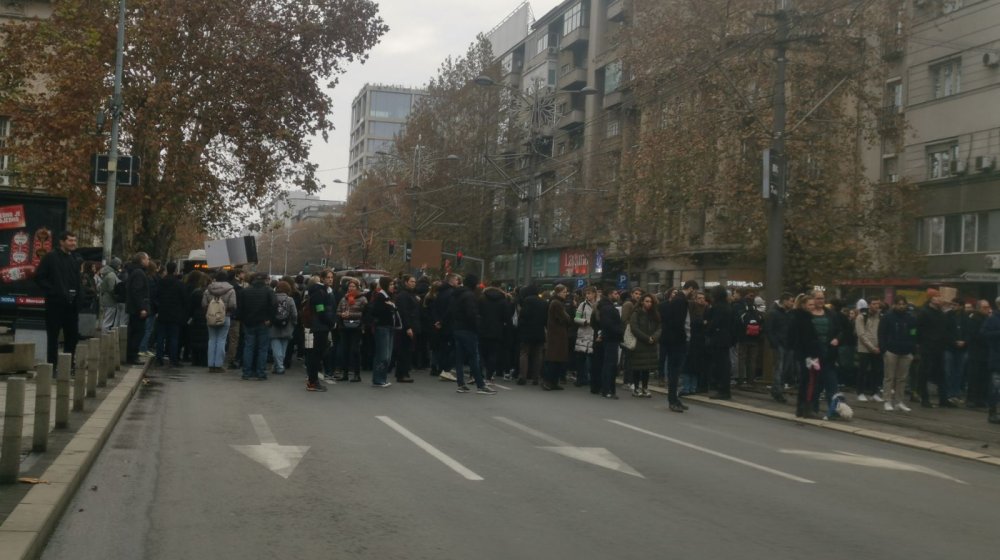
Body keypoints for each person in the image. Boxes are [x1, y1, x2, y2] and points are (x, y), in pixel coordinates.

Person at [34, 231, 82, 368]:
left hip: (72, 305)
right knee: (53, 337)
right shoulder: (51, 257)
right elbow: (39, 277)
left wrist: (79, 297)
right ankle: (52, 366)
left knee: (72, 337)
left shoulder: (74, 258)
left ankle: (68, 366)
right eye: (70, 240)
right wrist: (53, 291)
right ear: (62, 242)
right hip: (55, 304)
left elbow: (76, 281)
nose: (73, 243)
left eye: (74, 240)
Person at [449, 273, 496, 395]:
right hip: (468, 330)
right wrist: (478, 326)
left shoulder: (457, 294)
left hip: (457, 328)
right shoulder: (470, 296)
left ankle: (461, 384)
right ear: (474, 284)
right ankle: (480, 385)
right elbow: (471, 314)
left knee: (459, 358)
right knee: (474, 357)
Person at [660, 280, 698, 407]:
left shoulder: (677, 300)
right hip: (677, 342)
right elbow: (679, 323)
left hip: (673, 340)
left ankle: (674, 399)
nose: (695, 294)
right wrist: (684, 338)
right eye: (695, 291)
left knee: (674, 371)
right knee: (675, 372)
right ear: (691, 288)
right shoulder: (680, 301)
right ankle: (673, 400)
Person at [878, 296, 918, 412]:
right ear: (894, 305)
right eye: (899, 304)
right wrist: (884, 349)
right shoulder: (887, 317)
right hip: (891, 351)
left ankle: (899, 401)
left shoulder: (910, 318)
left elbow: (914, 333)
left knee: (902, 378)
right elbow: (882, 333)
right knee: (889, 377)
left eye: (903, 304)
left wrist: (912, 348)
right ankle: (887, 400)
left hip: (906, 351)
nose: (901, 306)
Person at [916, 288, 951, 408]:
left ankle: (943, 398)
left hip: (939, 347)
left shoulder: (941, 312)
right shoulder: (924, 312)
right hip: (927, 347)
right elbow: (916, 329)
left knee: (941, 373)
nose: (940, 299)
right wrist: (919, 342)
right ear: (931, 299)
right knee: (924, 373)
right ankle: (924, 398)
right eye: (937, 297)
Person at [237, 272, 276, 380]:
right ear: (265, 280)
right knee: (262, 348)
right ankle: (260, 372)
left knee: (248, 347)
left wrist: (243, 320)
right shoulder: (269, 291)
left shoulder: (245, 291)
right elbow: (274, 306)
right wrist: (270, 319)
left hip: (249, 322)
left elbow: (240, 308)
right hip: (264, 322)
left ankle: (246, 372)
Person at [305, 271, 335, 391]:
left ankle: (313, 381)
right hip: (319, 327)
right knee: (316, 355)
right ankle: (313, 382)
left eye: (332, 277)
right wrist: (331, 322)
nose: (330, 279)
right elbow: (320, 311)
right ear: (322, 279)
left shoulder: (326, 291)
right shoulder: (319, 292)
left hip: (322, 326)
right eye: (328, 277)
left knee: (317, 355)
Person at [629, 293, 662, 402]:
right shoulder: (637, 313)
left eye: (650, 302)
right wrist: (646, 338)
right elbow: (634, 328)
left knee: (646, 368)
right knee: (638, 367)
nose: (649, 304)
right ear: (642, 302)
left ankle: (645, 387)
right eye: (647, 301)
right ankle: (636, 387)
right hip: (640, 343)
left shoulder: (655, 314)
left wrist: (654, 337)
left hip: (651, 344)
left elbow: (660, 327)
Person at [153, 261, 187, 367]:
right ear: (175, 270)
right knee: (173, 338)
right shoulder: (179, 284)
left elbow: (155, 296)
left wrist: (158, 308)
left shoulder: (161, 282)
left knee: (160, 337)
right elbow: (184, 299)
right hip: (175, 314)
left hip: (162, 313)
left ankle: (159, 358)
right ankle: (173, 359)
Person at [202, 271, 237, 373]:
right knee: (221, 340)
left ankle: (211, 364)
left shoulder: (208, 290)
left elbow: (204, 304)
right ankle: (218, 365)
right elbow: (233, 305)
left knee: (212, 340)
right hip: (225, 317)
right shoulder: (231, 290)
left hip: (211, 316)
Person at [705, 285, 734, 400]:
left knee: (721, 365)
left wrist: (707, 329)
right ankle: (723, 389)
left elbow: (714, 323)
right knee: (724, 364)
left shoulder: (717, 307)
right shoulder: (728, 307)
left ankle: (723, 390)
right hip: (726, 339)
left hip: (718, 339)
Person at [335, 277, 367, 382]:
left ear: (357, 288)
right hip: (344, 327)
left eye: (353, 287)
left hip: (356, 327)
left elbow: (365, 313)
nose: (351, 288)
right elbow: (338, 311)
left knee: (355, 350)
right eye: (349, 287)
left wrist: (351, 315)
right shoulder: (344, 298)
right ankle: (345, 373)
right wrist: (342, 314)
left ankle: (357, 374)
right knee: (345, 350)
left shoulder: (362, 299)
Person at [479, 280, 511, 383]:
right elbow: (507, 317)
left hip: (482, 329)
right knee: (492, 354)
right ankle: (489, 376)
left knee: (481, 353)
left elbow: (477, 312)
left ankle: (479, 374)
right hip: (497, 330)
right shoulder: (503, 300)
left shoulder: (482, 298)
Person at [543, 284, 574, 391]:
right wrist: (568, 318)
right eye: (564, 292)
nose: (566, 294)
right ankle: (548, 382)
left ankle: (553, 382)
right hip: (557, 335)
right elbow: (566, 318)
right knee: (554, 359)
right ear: (558, 292)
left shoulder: (556, 302)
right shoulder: (557, 303)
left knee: (556, 360)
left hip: (557, 334)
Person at [765, 292, 794, 402]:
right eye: (791, 301)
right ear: (785, 301)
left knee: (784, 369)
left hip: (788, 344)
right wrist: (775, 343)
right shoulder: (773, 313)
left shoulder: (788, 313)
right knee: (779, 369)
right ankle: (778, 391)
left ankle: (776, 389)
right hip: (780, 345)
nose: (792, 303)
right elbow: (769, 329)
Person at [516, 284, 547, 386]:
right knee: (538, 354)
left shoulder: (527, 301)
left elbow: (523, 316)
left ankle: (523, 377)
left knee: (524, 353)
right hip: (539, 331)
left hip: (527, 331)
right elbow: (545, 318)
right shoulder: (543, 302)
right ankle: (536, 378)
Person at [597, 286, 625, 399]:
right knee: (610, 365)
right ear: (609, 294)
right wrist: (620, 331)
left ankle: (608, 389)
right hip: (611, 339)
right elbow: (609, 325)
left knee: (609, 365)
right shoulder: (608, 308)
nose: (617, 295)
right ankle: (607, 389)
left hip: (610, 338)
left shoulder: (605, 306)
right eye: (615, 293)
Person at [369, 277, 397, 388]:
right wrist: (389, 307)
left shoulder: (388, 296)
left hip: (390, 327)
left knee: (388, 356)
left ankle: (383, 377)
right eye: (390, 284)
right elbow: (376, 311)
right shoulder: (380, 296)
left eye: (393, 284)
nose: (393, 286)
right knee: (382, 355)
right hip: (382, 328)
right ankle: (378, 379)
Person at [854, 298, 884, 402]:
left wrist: (880, 346)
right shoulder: (861, 317)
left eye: (878, 304)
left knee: (876, 371)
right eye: (874, 303)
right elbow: (861, 335)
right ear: (869, 305)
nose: (876, 306)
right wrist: (872, 347)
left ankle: (874, 392)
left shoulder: (880, 317)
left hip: (877, 348)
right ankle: (860, 392)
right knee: (862, 371)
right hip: (864, 349)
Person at [124, 252, 151, 366]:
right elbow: (137, 291)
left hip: (133, 308)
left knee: (134, 331)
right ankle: (132, 355)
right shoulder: (139, 273)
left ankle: (131, 354)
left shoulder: (135, 271)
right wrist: (142, 308)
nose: (148, 261)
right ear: (142, 260)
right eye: (147, 259)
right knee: (138, 332)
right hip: (137, 309)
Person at [394, 274, 421, 383]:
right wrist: (408, 327)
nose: (413, 283)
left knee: (408, 350)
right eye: (411, 281)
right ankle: (402, 374)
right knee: (404, 350)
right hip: (406, 327)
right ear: (406, 282)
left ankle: (404, 372)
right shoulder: (403, 295)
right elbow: (404, 312)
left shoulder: (411, 294)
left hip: (413, 325)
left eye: (414, 282)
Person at [269, 281, 298, 376]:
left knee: (276, 348)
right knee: (283, 349)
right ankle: (279, 366)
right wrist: (294, 323)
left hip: (274, 326)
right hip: (287, 326)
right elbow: (294, 314)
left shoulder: (272, 298)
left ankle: (279, 367)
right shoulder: (290, 300)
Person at [979, 297, 1000, 424]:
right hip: (997, 358)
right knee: (996, 387)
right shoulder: (992, 319)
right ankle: (992, 412)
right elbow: (983, 334)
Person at [573, 286, 597, 387]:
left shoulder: (598, 305)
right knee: (581, 359)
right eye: (586, 294)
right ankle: (580, 379)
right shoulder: (582, 305)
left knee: (591, 359)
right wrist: (585, 321)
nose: (588, 295)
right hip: (583, 334)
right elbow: (576, 318)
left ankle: (591, 379)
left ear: (594, 294)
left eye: (590, 293)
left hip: (594, 334)